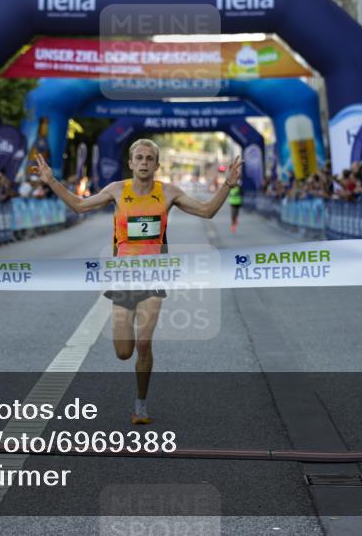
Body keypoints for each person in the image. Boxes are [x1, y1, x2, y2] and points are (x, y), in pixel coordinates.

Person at [34, 139, 242, 426]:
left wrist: (228, 184)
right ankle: (130, 346)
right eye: (139, 158)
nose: (144, 162)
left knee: (144, 344)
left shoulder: (168, 192)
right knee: (123, 352)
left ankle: (140, 405)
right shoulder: (117, 190)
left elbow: (206, 211)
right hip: (122, 278)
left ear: (157, 165)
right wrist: (51, 181)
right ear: (131, 163)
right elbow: (80, 205)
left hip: (154, 277)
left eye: (149, 158)